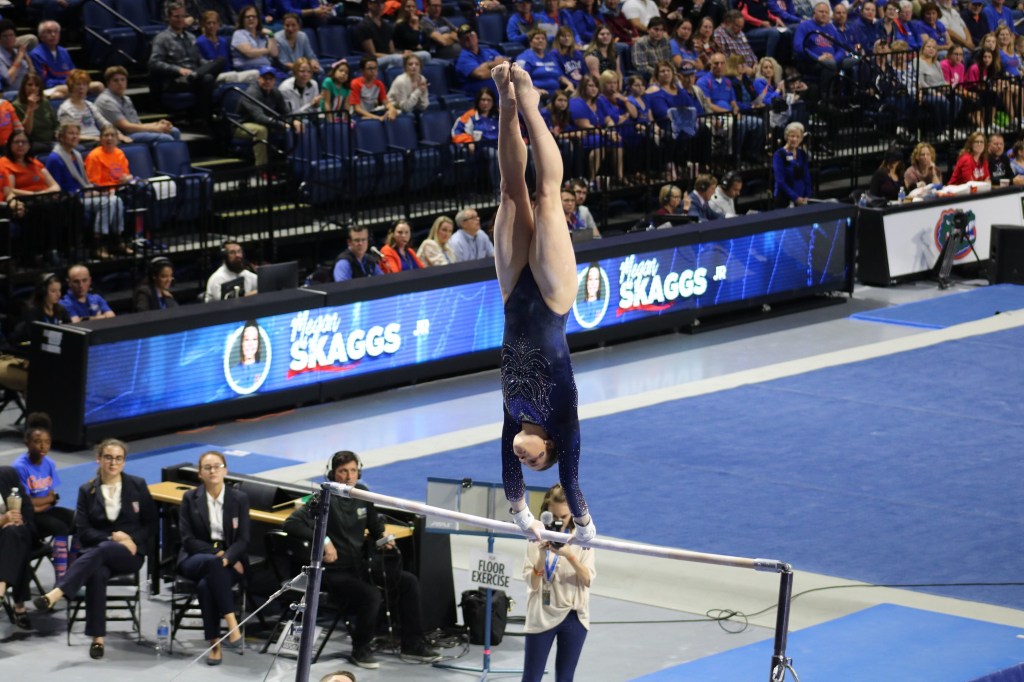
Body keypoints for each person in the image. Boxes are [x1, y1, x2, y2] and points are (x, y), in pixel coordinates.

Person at [490, 63, 595, 544]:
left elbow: (510, 479)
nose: (522, 458)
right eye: (534, 461)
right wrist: (585, 526)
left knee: (511, 192)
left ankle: (507, 103)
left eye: (524, 464)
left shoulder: (513, 416)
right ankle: (532, 105)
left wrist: (521, 516)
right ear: (550, 446)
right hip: (552, 301)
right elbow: (570, 479)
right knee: (548, 196)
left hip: (513, 292)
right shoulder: (562, 419)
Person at [283, 451, 441, 669]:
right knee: (371, 595)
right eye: (343, 471)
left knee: (408, 582)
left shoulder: (363, 494)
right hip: (333, 573)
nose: (349, 476)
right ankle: (361, 648)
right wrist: (325, 540)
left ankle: (412, 644)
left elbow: (375, 526)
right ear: (332, 474)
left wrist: (383, 538)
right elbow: (291, 523)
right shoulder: (323, 497)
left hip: (360, 567)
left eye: (353, 471)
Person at [33, 439, 156, 660]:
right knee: (97, 572)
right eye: (108, 457)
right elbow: (84, 531)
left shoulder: (137, 485)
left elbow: (151, 524)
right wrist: (113, 538)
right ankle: (97, 638)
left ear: (124, 462)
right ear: (98, 459)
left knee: (102, 552)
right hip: (99, 552)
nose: (113, 463)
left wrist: (130, 539)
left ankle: (59, 591)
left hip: (130, 554)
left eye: (118, 458)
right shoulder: (87, 490)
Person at [177, 451, 249, 666]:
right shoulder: (190, 498)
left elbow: (244, 539)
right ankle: (232, 623)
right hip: (195, 557)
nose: (213, 471)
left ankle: (214, 644)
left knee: (205, 585)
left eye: (217, 466)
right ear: (200, 473)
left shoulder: (239, 498)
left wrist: (229, 556)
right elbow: (188, 540)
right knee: (212, 563)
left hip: (229, 561)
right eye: (207, 467)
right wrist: (221, 556)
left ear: (226, 470)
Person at [521, 483, 595, 682]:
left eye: (564, 516)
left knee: (565, 678)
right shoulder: (535, 536)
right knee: (531, 677)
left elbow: (588, 579)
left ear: (573, 513)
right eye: (554, 516)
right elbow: (533, 584)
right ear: (546, 512)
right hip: (541, 613)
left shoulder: (583, 538)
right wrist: (541, 557)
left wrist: (569, 555)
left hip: (573, 616)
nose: (559, 521)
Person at [48, 123, 127, 258]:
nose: (75, 137)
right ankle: (97, 245)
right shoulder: (55, 158)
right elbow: (57, 189)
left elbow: (84, 183)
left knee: (117, 200)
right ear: (61, 137)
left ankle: (117, 240)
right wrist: (87, 193)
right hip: (71, 199)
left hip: (83, 194)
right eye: (71, 133)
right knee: (108, 202)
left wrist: (94, 191)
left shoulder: (76, 155)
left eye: (77, 134)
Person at [150, 1, 226, 122]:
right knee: (208, 79)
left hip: (194, 75)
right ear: (168, 18)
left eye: (183, 16)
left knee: (220, 61)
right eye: (176, 16)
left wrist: (208, 64)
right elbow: (154, 63)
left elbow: (198, 59)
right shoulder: (162, 38)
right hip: (176, 80)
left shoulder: (191, 37)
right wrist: (179, 70)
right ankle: (205, 120)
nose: (180, 20)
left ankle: (196, 76)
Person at [95, 66, 180, 145]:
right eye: (116, 80)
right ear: (108, 83)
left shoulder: (126, 99)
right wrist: (155, 128)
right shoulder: (106, 101)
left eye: (123, 80)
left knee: (174, 131)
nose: (120, 83)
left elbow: (137, 123)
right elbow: (126, 128)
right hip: (122, 136)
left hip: (134, 132)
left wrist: (157, 124)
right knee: (165, 138)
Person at [238, 66, 300, 169]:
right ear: (259, 79)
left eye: (271, 79)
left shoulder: (275, 92)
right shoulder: (252, 93)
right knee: (261, 130)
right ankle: (261, 168)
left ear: (274, 80)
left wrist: (293, 121)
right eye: (265, 78)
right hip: (242, 125)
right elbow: (259, 117)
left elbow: (285, 111)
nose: (267, 81)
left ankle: (290, 165)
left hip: (266, 122)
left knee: (296, 126)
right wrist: (283, 124)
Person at [0, 464, 35, 631]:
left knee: (14, 533)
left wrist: (21, 520)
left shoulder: (7, 474)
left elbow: (27, 506)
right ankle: (19, 605)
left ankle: (0, 590)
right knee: (15, 540)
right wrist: (3, 521)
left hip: (17, 532)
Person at [58, 70, 131, 149]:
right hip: (84, 142)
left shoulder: (89, 105)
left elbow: (104, 124)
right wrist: (94, 138)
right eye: (78, 84)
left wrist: (118, 134)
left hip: (98, 139)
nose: (81, 87)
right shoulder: (65, 109)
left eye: (84, 84)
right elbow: (69, 135)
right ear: (71, 87)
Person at [30, 20, 102, 99]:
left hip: (70, 85)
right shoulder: (36, 54)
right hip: (53, 88)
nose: (53, 35)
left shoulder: (63, 51)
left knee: (98, 86)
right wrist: (67, 82)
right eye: (49, 32)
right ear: (41, 36)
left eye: (56, 32)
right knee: (59, 94)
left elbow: (74, 73)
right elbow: (43, 80)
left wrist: (78, 81)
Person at [452, 88, 501, 192]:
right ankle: (498, 192)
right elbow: (456, 132)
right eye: (483, 100)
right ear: (478, 101)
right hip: (482, 148)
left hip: (502, 146)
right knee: (495, 155)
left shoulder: (499, 114)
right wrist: (468, 141)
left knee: (527, 150)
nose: (486, 103)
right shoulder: (470, 115)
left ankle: (527, 190)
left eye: (489, 100)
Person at [197, 10, 260, 85]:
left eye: (214, 23)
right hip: (214, 77)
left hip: (229, 74)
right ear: (203, 24)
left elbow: (228, 63)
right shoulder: (200, 41)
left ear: (218, 24)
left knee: (255, 73)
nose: (211, 26)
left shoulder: (223, 41)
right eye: (209, 23)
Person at [455, 25, 509, 96]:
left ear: (476, 36)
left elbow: (507, 63)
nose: (469, 38)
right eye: (465, 37)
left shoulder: (489, 51)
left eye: (471, 35)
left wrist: (487, 66)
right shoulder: (463, 58)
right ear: (460, 42)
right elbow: (480, 74)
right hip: (475, 90)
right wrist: (492, 64)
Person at [13, 72, 58, 157]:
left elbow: (55, 124)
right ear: (23, 87)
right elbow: (25, 132)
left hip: (51, 141)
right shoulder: (16, 105)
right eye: (30, 85)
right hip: (33, 143)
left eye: (37, 85)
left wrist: (58, 133)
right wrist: (30, 108)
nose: (33, 88)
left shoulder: (44, 102)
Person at [772, 121, 811, 207]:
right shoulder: (779, 155)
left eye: (798, 137)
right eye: (792, 136)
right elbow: (780, 181)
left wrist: (807, 196)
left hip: (802, 199)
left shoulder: (802, 154)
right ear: (786, 137)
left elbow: (807, 177)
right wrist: (795, 198)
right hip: (784, 200)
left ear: (801, 139)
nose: (795, 139)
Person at [517, 28, 566, 96]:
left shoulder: (551, 57)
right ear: (530, 42)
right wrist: (536, 90)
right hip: (535, 94)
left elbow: (560, 76)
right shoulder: (523, 58)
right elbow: (520, 81)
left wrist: (569, 84)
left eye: (543, 38)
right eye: (537, 38)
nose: (541, 40)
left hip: (556, 94)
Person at [231, 5, 279, 74]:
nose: (251, 19)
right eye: (247, 17)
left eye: (254, 16)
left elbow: (274, 54)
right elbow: (250, 53)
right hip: (247, 70)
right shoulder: (239, 34)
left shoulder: (263, 34)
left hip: (266, 68)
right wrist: (267, 50)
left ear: (258, 19)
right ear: (242, 20)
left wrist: (271, 35)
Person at [351, 56, 399, 121]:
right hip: (357, 115)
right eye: (370, 68)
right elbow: (357, 109)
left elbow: (386, 103)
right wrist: (376, 117)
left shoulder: (379, 84)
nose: (373, 71)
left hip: (372, 112)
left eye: (375, 68)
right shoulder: (355, 83)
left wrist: (392, 109)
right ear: (362, 71)